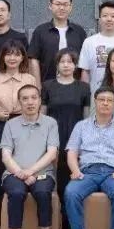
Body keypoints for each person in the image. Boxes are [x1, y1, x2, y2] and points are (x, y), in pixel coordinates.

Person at [64, 85, 114, 229]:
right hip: (87, 172)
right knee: (71, 192)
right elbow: (72, 152)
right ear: (95, 102)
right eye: (102, 100)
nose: (105, 103)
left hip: (112, 173)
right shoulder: (81, 126)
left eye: (110, 100)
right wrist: (75, 170)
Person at [1, 84, 61, 229]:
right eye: (25, 99)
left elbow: (52, 153)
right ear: (19, 102)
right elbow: (6, 156)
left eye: (34, 98)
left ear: (40, 100)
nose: (30, 102)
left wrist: (30, 171)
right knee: (16, 193)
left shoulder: (50, 123)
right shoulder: (10, 124)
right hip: (14, 173)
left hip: (43, 173)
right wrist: (20, 173)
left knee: (42, 192)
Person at [0, 40, 39, 198]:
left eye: (17, 54)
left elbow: (35, 102)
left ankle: (21, 198)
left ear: (22, 58)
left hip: (25, 124)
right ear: (2, 57)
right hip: (1, 125)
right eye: (8, 54)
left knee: (25, 160)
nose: (12, 58)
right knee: (0, 164)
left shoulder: (29, 79)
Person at [41, 48, 91, 202]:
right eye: (62, 61)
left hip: (75, 135)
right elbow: (42, 115)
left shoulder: (83, 87)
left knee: (74, 174)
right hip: (53, 135)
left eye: (70, 61)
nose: (66, 65)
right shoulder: (48, 86)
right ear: (57, 65)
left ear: (75, 65)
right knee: (55, 174)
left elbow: (86, 117)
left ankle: (70, 212)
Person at [28, 0, 88, 85]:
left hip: (74, 87)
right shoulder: (40, 31)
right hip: (47, 86)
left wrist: (82, 86)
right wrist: (38, 86)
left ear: (71, 7)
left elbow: (85, 61)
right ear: (50, 6)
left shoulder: (79, 32)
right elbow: (34, 60)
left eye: (65, 4)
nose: (62, 8)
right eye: (58, 4)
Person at [78, 1, 114, 88]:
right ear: (99, 19)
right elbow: (85, 71)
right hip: (96, 93)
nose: (109, 19)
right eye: (105, 16)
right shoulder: (89, 42)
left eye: (113, 16)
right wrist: (85, 92)